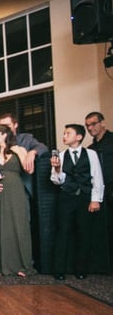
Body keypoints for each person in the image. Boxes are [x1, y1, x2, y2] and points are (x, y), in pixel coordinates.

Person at [0, 125, 35, 277]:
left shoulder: (19, 150)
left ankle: (21, 265)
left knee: (18, 227)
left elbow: (29, 170)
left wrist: (20, 153)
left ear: (4, 135)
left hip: (15, 193)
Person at [50, 124, 105, 281]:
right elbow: (56, 181)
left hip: (84, 198)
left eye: (68, 133)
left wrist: (95, 200)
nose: (64, 136)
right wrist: (58, 169)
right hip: (66, 198)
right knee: (63, 233)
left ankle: (81, 269)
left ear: (79, 137)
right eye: (64, 133)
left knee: (83, 233)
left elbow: (97, 177)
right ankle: (59, 270)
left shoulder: (91, 154)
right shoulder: (60, 156)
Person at [85, 112, 113, 272]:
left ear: (102, 123)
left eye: (93, 124)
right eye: (87, 125)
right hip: (100, 192)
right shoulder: (91, 149)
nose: (90, 128)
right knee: (105, 228)